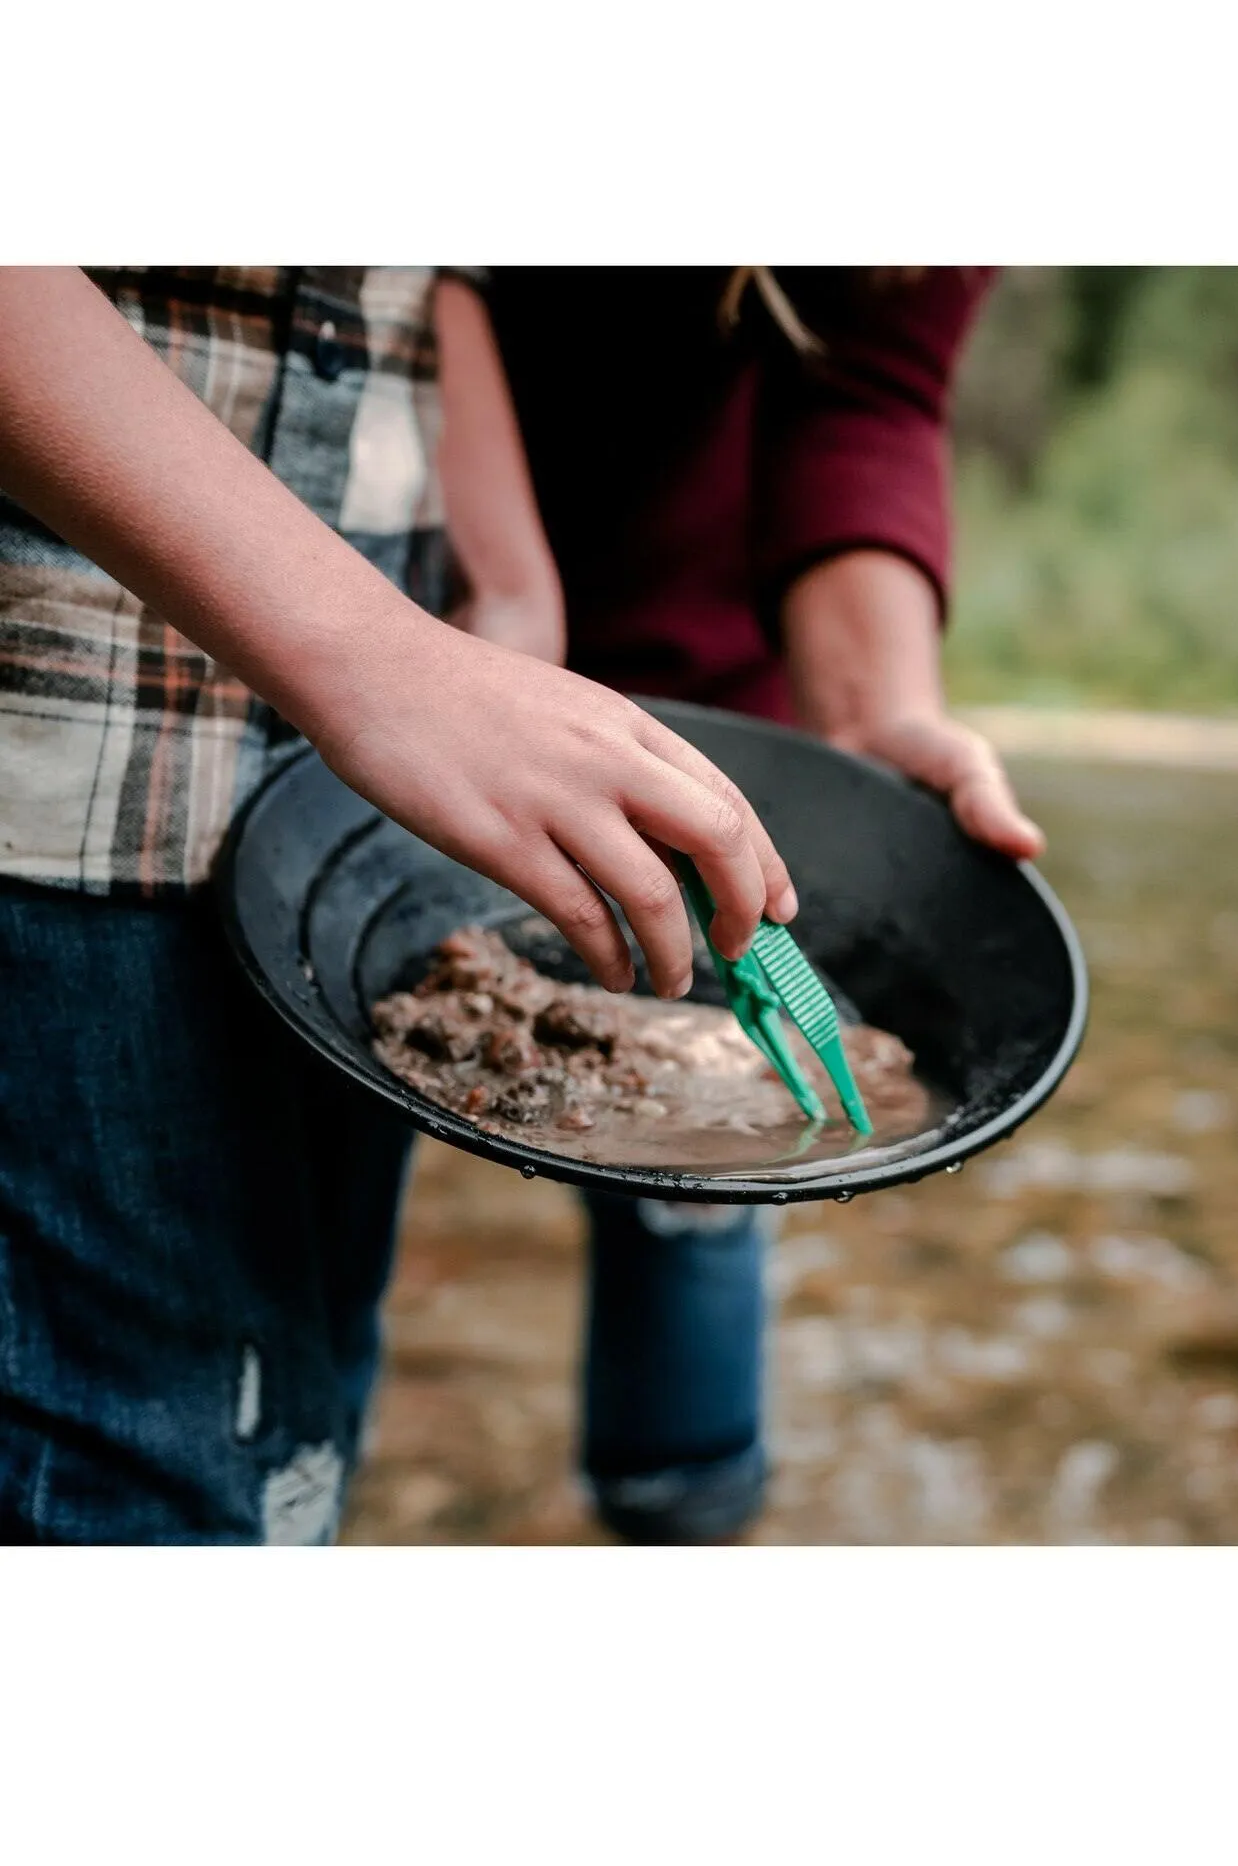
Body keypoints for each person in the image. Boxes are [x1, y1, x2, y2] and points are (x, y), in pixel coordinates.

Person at [0, 267, 792, 1543]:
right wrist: (376, 658)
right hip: (69, 761)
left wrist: (506, 575)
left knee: (303, 1449)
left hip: (363, 818)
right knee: (163, 1500)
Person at [459, 267, 1044, 1542]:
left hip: (706, 702)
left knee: (700, 1162)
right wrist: (496, 625)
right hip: (400, 625)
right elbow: (398, 274)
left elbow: (867, 386)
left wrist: (872, 714)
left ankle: (683, 1513)